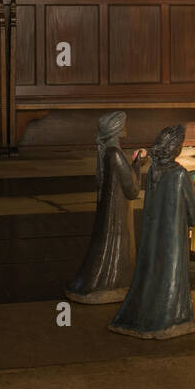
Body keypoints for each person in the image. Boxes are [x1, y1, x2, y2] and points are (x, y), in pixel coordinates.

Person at [108, 124, 195, 339]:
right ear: (176, 149)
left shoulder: (155, 170)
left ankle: (143, 315)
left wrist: (146, 153)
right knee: (169, 278)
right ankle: (170, 318)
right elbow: (193, 216)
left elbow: (154, 157)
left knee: (150, 272)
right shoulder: (180, 174)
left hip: (152, 240)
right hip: (173, 242)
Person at [65, 111, 145, 304]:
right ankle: (112, 284)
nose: (125, 128)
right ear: (117, 129)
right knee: (115, 248)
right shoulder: (115, 154)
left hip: (113, 210)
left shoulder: (108, 153)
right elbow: (132, 189)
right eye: (123, 125)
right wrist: (138, 163)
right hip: (117, 215)